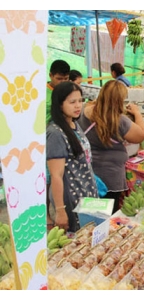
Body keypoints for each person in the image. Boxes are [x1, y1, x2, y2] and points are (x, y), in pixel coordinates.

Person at [78, 80, 144, 214]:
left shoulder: (84, 112)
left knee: (91, 213)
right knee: (107, 217)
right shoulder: (119, 121)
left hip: (88, 174)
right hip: (111, 177)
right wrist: (137, 113)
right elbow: (141, 135)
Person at [46, 81, 98, 233]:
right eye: (72, 102)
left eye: (80, 101)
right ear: (60, 104)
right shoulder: (55, 133)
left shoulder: (74, 125)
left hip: (86, 194)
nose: (78, 106)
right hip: (70, 199)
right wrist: (60, 210)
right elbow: (56, 175)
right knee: (75, 243)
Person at [46, 59, 70, 229]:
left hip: (59, 139)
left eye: (66, 79)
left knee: (54, 177)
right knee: (48, 178)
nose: (62, 82)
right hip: (45, 139)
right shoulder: (41, 94)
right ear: (51, 76)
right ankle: (47, 213)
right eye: (59, 79)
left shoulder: (65, 93)